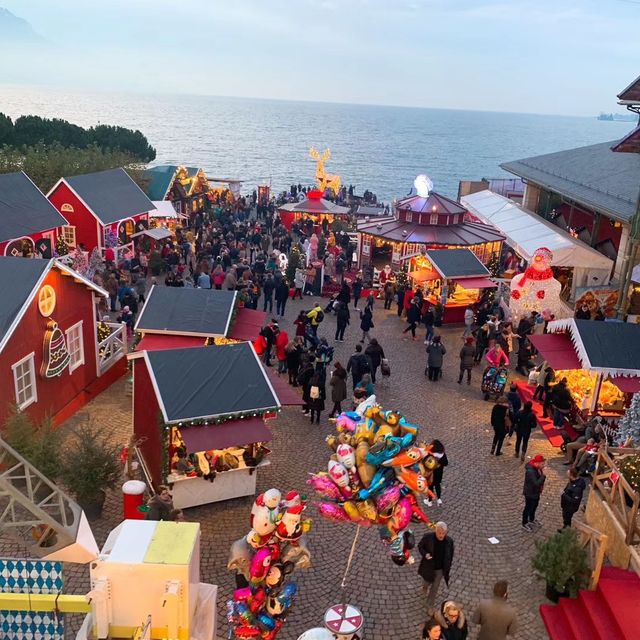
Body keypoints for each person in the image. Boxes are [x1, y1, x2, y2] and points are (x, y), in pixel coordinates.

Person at [418, 521, 454, 616]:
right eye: (439, 533)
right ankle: (425, 587)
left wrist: (447, 567)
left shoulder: (449, 541)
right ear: (436, 530)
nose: (441, 535)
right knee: (426, 582)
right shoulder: (428, 537)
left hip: (440, 570)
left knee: (435, 588)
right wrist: (425, 554)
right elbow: (420, 546)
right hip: (429, 567)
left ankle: (430, 606)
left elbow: (450, 554)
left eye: (443, 533)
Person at [522, 454, 546, 531]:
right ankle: (524, 523)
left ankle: (531, 519)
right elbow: (536, 484)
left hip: (536, 492)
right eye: (542, 464)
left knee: (534, 506)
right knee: (528, 508)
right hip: (530, 493)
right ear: (537, 463)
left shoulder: (538, 468)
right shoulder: (530, 472)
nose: (544, 465)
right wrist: (544, 476)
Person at [427, 439, 448, 507]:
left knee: (430, 487)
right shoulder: (442, 454)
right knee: (437, 485)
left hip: (431, 474)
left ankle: (429, 501)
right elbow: (446, 463)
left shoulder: (430, 455)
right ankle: (439, 499)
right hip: (439, 473)